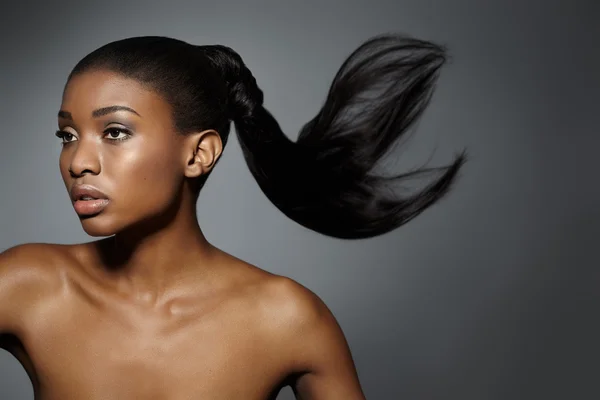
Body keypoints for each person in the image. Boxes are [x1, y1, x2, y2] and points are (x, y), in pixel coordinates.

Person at [0, 33, 466, 399]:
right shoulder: (26, 285)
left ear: (199, 153)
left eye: (115, 131)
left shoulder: (286, 317)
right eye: (67, 135)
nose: (78, 161)